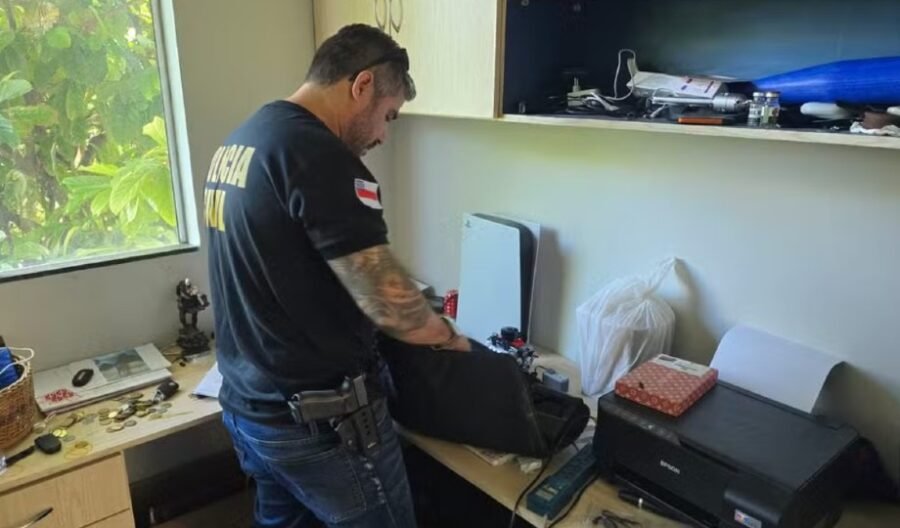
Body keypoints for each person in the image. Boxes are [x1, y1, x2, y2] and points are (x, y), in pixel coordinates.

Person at [205, 24, 471, 528]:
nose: (383, 136)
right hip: (321, 427)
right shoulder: (319, 156)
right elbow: (391, 304)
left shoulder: (245, 139)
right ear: (362, 84)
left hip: (251, 412)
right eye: (387, 116)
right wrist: (450, 338)